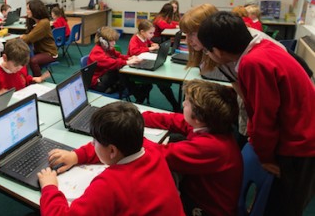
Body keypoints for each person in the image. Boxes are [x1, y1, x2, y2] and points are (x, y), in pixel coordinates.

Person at [197, 11, 315, 216]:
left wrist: (265, 156)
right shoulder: (263, 45)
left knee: (284, 204)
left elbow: (264, 116)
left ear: (216, 51)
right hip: (303, 132)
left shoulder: (253, 64)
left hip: (300, 144)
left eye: (207, 51)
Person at [37, 101, 185, 216]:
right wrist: (76, 156)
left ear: (112, 150)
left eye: (95, 141)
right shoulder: (150, 149)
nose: (92, 144)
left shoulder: (109, 184)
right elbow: (109, 149)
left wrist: (49, 187)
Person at [143, 79, 243, 216]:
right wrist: (139, 118)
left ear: (197, 117)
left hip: (206, 210)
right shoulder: (212, 126)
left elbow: (160, 154)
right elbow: (175, 120)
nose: (183, 103)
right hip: (200, 193)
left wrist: (128, 132)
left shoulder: (211, 147)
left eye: (187, 102)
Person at [0, 38, 50, 103]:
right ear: (5, 58)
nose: (19, 69)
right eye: (16, 66)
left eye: (22, 66)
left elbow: (23, 80)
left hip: (19, 104)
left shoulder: (20, 67)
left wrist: (33, 79)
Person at [127, 20, 180, 111]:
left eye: (153, 33)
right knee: (162, 84)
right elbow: (134, 52)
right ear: (142, 32)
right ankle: (175, 106)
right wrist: (150, 48)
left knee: (160, 83)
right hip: (134, 66)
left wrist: (153, 44)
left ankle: (140, 101)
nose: (152, 35)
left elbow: (149, 43)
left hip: (143, 62)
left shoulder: (145, 38)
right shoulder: (135, 39)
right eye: (150, 33)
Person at [88, 26, 141, 94]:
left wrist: (129, 58)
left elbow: (118, 55)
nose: (114, 43)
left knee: (121, 72)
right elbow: (111, 63)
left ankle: (134, 91)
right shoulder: (97, 52)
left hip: (105, 77)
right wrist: (127, 62)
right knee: (118, 71)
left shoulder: (108, 48)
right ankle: (136, 91)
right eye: (111, 41)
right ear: (103, 41)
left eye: (114, 41)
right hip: (97, 83)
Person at [20, 0, 58, 77]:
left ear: (35, 10)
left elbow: (28, 38)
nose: (27, 11)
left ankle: (38, 81)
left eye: (28, 9)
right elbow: (28, 37)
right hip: (40, 51)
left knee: (33, 61)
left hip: (50, 53)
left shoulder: (44, 23)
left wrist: (23, 37)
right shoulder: (36, 22)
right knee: (24, 56)